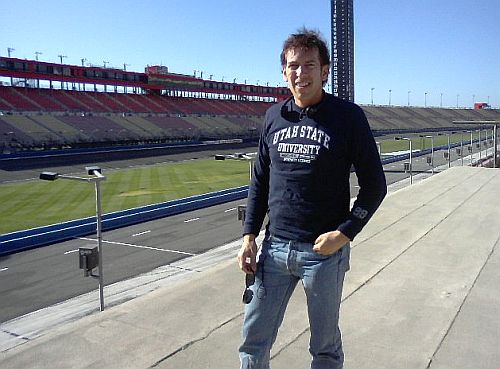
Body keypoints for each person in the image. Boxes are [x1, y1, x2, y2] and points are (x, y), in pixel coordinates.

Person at [237, 28, 387, 369]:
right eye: (293, 66)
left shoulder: (348, 117)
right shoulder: (273, 117)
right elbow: (260, 181)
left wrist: (344, 233)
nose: (300, 73)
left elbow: (375, 186)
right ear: (283, 71)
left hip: (322, 254)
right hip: (274, 249)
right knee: (253, 340)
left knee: (324, 347)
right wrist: (249, 236)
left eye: (308, 65)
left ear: (325, 71)